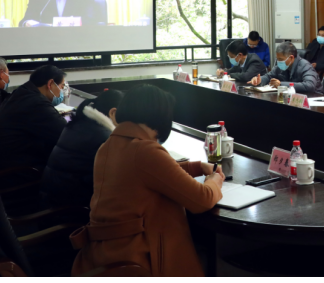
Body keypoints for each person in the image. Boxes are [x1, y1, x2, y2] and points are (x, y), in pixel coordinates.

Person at [70, 85, 224, 277]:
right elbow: (202, 199)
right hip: (137, 259)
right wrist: (215, 179)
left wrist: (197, 167)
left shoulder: (108, 145)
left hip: (104, 253)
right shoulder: (145, 151)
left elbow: (151, 174)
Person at [41, 89, 123, 208]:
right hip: (71, 209)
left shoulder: (80, 124)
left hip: (52, 200)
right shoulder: (103, 136)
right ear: (113, 112)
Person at [0, 65, 68, 173]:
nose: (61, 91)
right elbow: (66, 134)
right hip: (18, 171)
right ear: (50, 84)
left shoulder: (22, 93)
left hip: (1, 164)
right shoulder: (36, 103)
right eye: (61, 87)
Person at [250, 42, 323, 95]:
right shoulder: (280, 66)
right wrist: (260, 80)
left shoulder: (305, 66)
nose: (278, 62)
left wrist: (281, 84)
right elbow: (269, 76)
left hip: (314, 98)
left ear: (291, 57)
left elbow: (309, 86)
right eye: (277, 59)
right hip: (292, 97)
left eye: (281, 59)